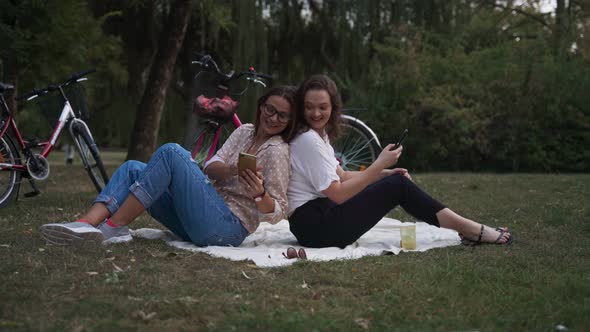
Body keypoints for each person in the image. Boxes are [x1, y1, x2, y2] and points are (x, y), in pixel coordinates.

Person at [41, 86, 297, 246]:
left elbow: (278, 212)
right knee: (132, 168)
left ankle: (111, 227)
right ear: (261, 106)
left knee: (172, 152)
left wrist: (259, 194)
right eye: (269, 108)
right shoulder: (246, 132)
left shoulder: (277, 151)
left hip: (226, 229)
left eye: (281, 115)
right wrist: (232, 170)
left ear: (289, 121)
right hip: (201, 215)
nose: (272, 117)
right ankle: (86, 223)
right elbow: (211, 166)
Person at [286, 75, 512, 248]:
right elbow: (338, 193)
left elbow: (342, 175)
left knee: (395, 182)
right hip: (317, 228)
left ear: (333, 107)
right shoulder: (307, 140)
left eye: (322, 107)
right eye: (309, 107)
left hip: (318, 219)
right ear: (300, 107)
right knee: (399, 187)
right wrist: (379, 166)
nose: (315, 113)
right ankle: (470, 229)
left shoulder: (318, 134)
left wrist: (383, 175)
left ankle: (465, 228)